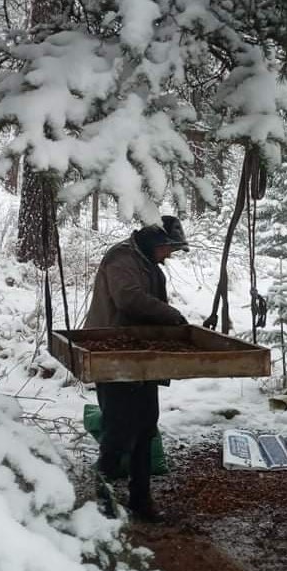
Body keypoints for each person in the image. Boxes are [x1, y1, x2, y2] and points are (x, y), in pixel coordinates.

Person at [85, 215, 189, 522]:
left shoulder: (149, 265)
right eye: (169, 248)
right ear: (156, 242)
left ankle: (141, 499)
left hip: (141, 356)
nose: (170, 255)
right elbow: (128, 298)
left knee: (145, 427)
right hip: (113, 355)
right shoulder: (121, 258)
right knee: (117, 430)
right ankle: (101, 502)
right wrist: (171, 315)